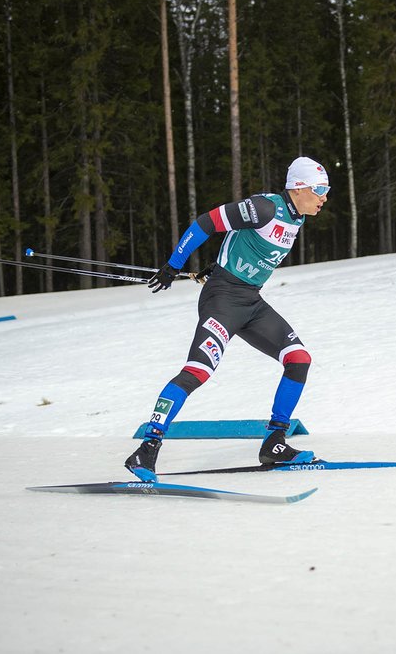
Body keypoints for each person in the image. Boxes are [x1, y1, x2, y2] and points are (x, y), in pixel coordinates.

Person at [124, 156, 330, 481]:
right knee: (197, 372)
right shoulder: (264, 207)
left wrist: (221, 262)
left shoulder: (297, 217)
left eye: (326, 189)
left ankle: (274, 443)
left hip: (250, 302)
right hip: (222, 302)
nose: (324, 197)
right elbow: (205, 223)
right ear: (299, 187)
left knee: (298, 358)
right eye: (320, 189)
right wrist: (173, 265)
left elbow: (242, 241)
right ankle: (147, 449)